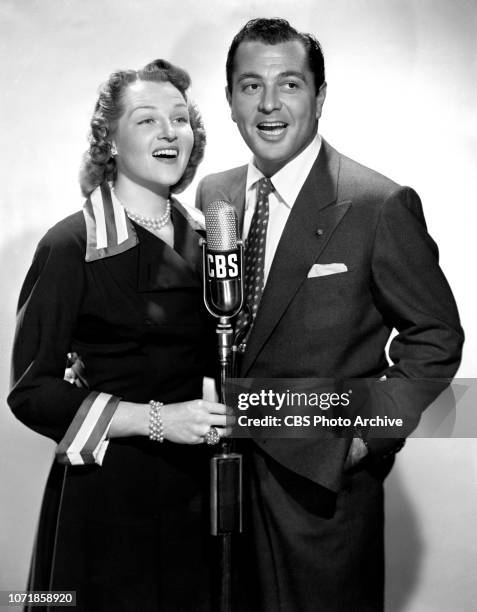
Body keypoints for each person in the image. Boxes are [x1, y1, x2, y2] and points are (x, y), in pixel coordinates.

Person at [196, 18, 464, 611]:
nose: (269, 104)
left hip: (321, 501)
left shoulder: (377, 204)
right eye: (250, 86)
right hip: (217, 488)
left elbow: (436, 337)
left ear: (319, 97)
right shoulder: (215, 194)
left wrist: (363, 439)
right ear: (230, 100)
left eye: (289, 85)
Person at [8, 59, 229, 612]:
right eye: (147, 120)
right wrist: (160, 419)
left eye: (180, 119)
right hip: (108, 496)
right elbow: (32, 392)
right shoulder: (70, 245)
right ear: (109, 140)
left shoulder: (210, 239)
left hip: (199, 492)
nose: (170, 132)